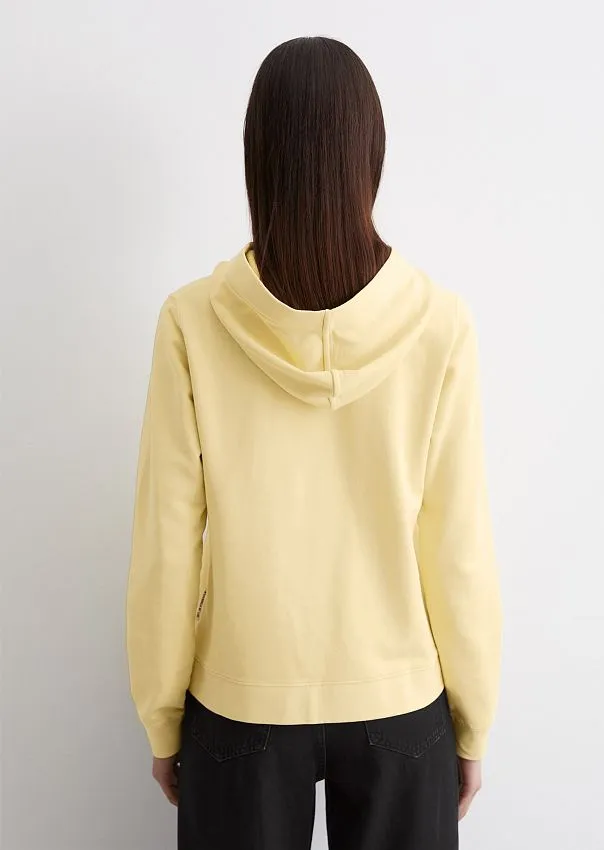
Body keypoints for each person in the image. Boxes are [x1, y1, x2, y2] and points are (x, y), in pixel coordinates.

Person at [126, 35, 502, 850]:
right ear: (372, 154)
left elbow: (166, 542)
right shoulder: (439, 325)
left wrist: (162, 715)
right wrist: (472, 719)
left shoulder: (192, 322)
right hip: (402, 703)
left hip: (241, 699)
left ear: (257, 158)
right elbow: (459, 547)